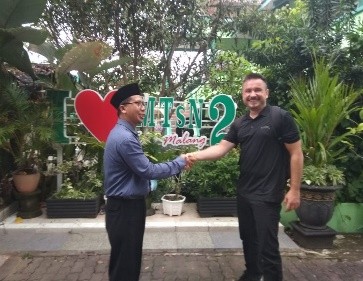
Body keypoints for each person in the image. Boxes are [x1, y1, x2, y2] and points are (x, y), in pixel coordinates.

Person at [187, 73, 303, 281]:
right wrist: (193, 155)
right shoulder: (240, 124)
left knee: (268, 245)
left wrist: (294, 189)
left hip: (267, 194)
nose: (253, 94)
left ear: (266, 93)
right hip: (245, 192)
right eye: (248, 91)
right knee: (248, 239)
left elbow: (296, 153)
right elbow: (221, 148)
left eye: (257, 90)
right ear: (242, 95)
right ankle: (252, 274)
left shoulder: (279, 117)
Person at [103, 82, 191, 281]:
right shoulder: (124, 138)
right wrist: (178, 163)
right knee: (125, 265)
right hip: (125, 210)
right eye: (138, 103)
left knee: (126, 261)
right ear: (123, 108)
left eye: (144, 103)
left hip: (124, 208)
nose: (143, 108)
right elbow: (148, 170)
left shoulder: (123, 133)